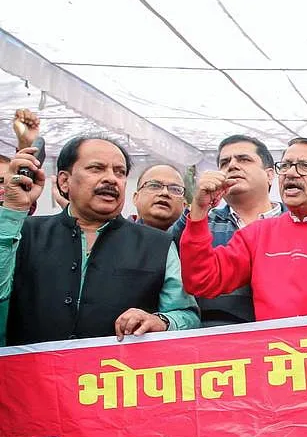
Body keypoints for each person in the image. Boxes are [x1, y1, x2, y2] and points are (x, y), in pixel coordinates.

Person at [0, 135, 199, 346]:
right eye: (96, 168)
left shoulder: (158, 244)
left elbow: (187, 315)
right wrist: (13, 209)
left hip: (118, 366)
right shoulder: (23, 232)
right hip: (30, 366)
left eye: (119, 172)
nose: (111, 179)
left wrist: (160, 321)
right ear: (64, 181)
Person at [180, 137, 307, 321]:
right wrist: (199, 209)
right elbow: (202, 280)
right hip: (274, 340)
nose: (291, 173)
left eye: (304, 166)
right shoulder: (257, 233)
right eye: (285, 166)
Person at [168, 134, 282, 326]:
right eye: (224, 162)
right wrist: (198, 208)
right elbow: (165, 252)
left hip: (289, 339)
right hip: (217, 338)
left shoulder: (297, 224)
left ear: (270, 174)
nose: (232, 166)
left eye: (244, 159)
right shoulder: (199, 224)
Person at [131, 164, 187, 231]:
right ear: (136, 198)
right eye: (154, 186)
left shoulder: (192, 237)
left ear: (184, 205)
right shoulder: (120, 234)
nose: (165, 193)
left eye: (175, 189)